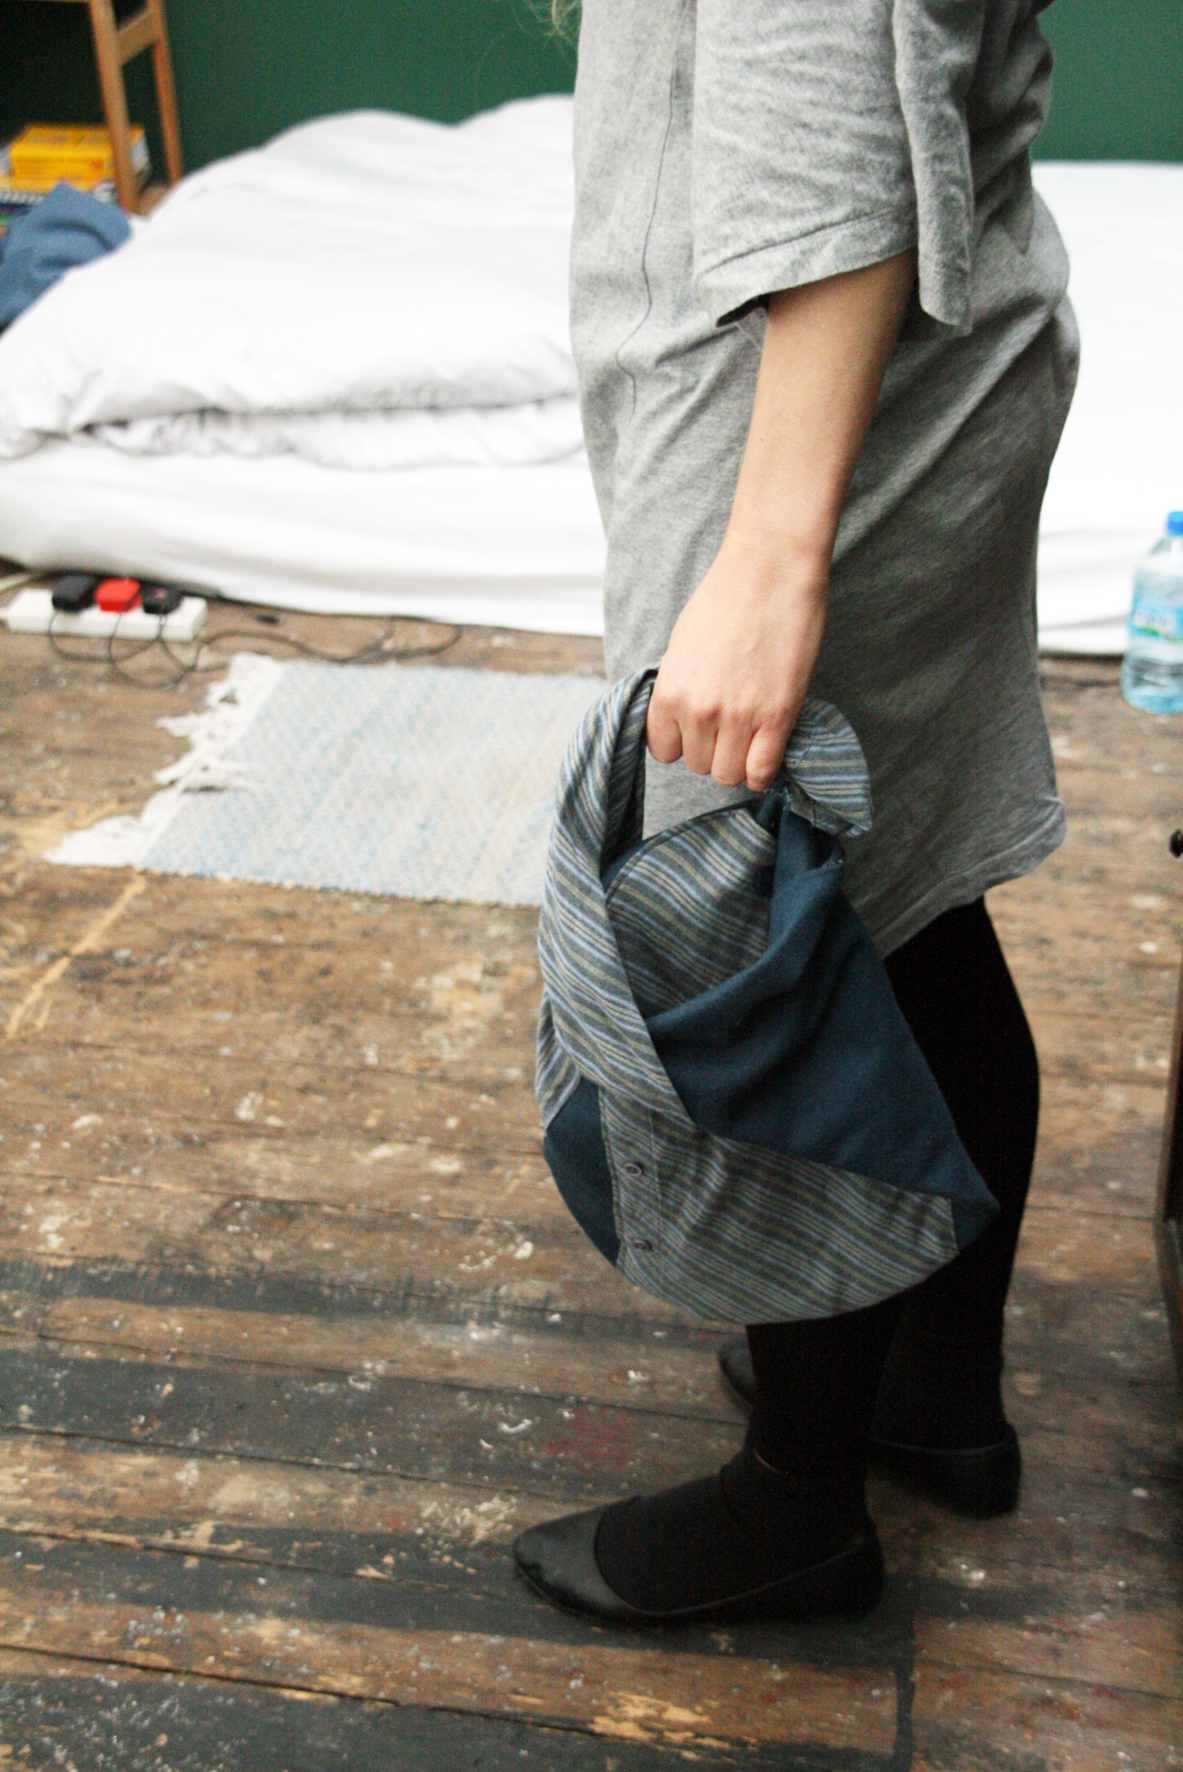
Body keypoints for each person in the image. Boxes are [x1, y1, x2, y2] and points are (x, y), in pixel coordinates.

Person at [514, 0, 1077, 1624]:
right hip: (919, 358)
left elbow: (828, 106)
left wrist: (768, 558)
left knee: (757, 942)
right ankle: (933, 1393)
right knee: (903, 903)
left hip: (795, 413)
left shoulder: (775, 484)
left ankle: (801, 1502)